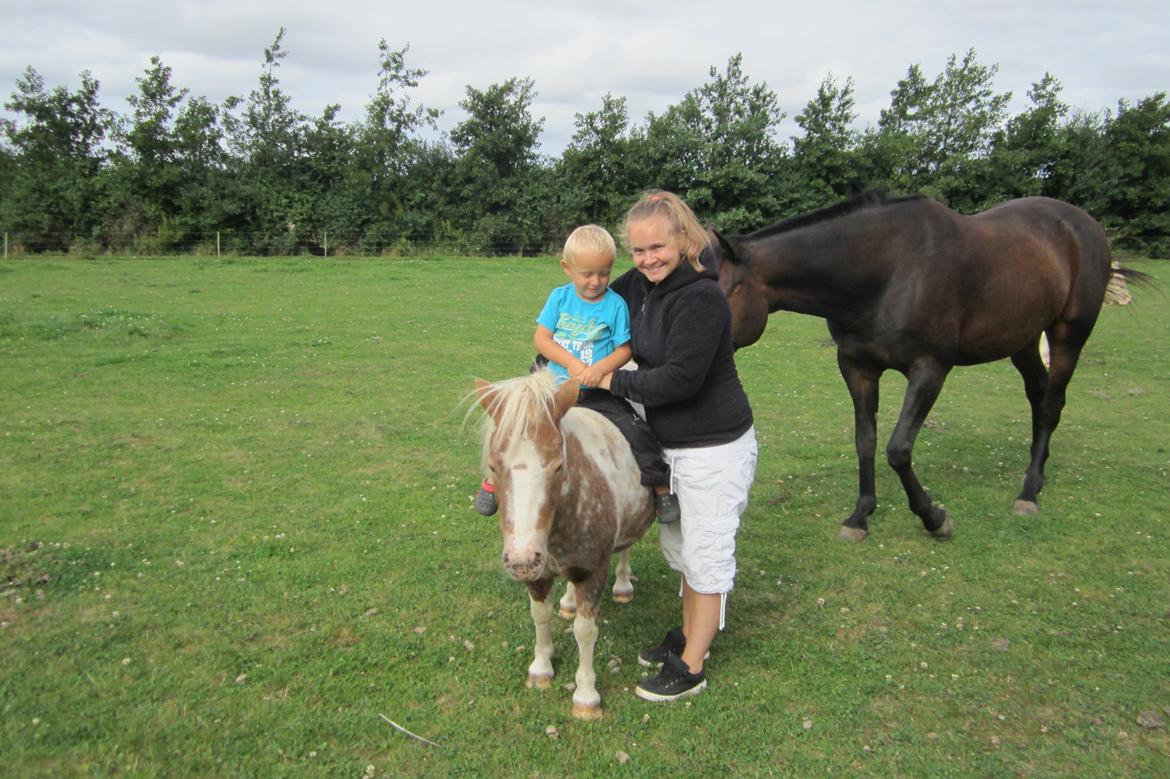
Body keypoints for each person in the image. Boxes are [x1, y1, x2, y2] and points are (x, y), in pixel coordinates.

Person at [597, 191, 757, 702]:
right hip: (673, 448)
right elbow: (593, 299)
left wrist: (611, 381)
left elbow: (679, 381)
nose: (647, 260)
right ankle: (689, 634)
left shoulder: (702, 299)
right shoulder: (642, 287)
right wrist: (562, 333)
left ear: (685, 240)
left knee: (706, 555)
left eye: (657, 248)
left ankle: (691, 667)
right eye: (638, 251)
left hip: (714, 448)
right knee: (685, 549)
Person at [474, 224, 680, 523]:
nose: (596, 281)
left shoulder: (616, 305)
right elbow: (542, 339)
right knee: (511, 429)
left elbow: (625, 350)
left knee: (639, 432)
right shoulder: (559, 299)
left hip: (598, 393)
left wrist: (601, 369)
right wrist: (570, 363)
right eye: (587, 274)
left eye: (604, 273)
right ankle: (492, 480)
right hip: (552, 392)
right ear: (567, 268)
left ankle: (661, 491)